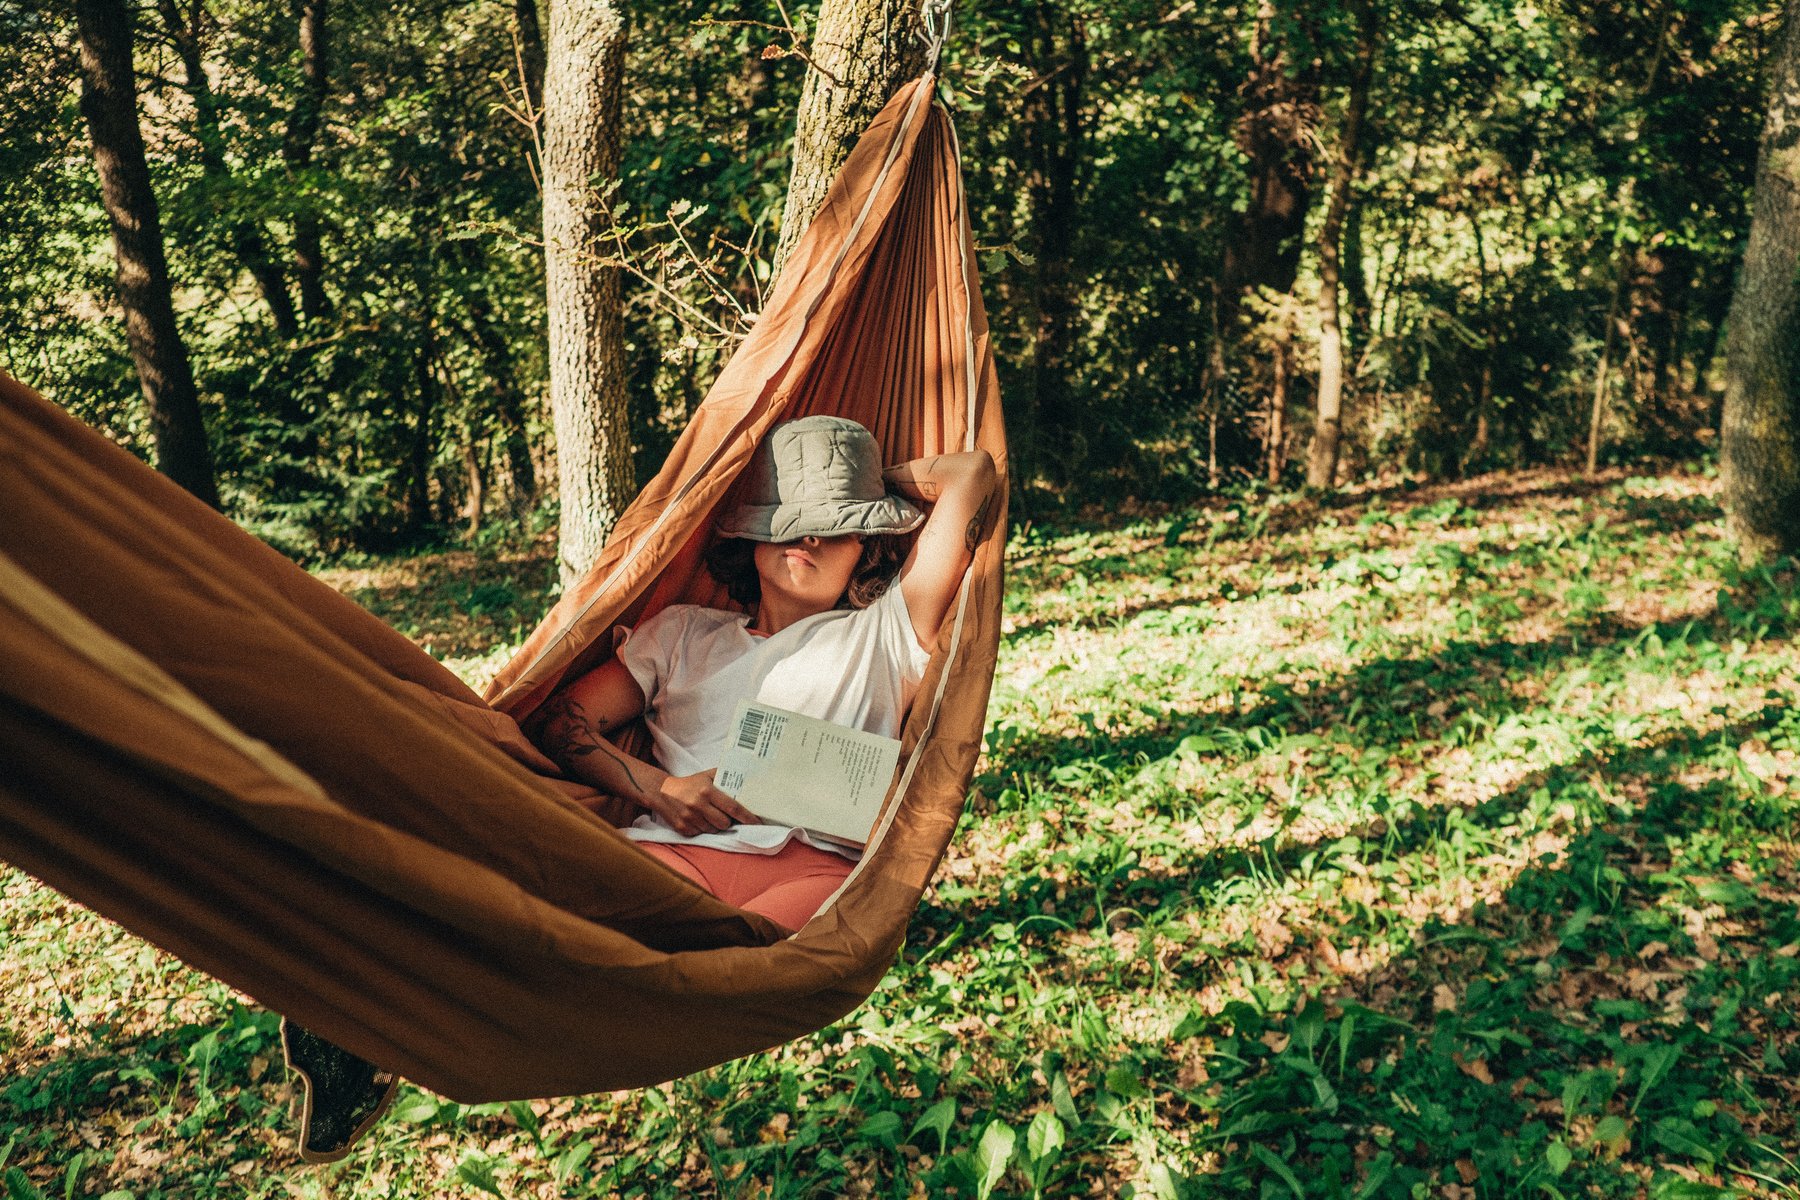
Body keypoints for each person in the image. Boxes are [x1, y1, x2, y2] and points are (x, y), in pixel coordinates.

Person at [536, 415, 997, 931]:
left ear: (865, 547)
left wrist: (861, 482)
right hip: (676, 852)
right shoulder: (682, 633)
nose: (809, 536)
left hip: (816, 874)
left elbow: (972, 472)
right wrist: (661, 789)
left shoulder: (887, 630)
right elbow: (560, 721)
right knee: (577, 924)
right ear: (753, 538)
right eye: (789, 517)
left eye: (835, 524)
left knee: (738, 966)